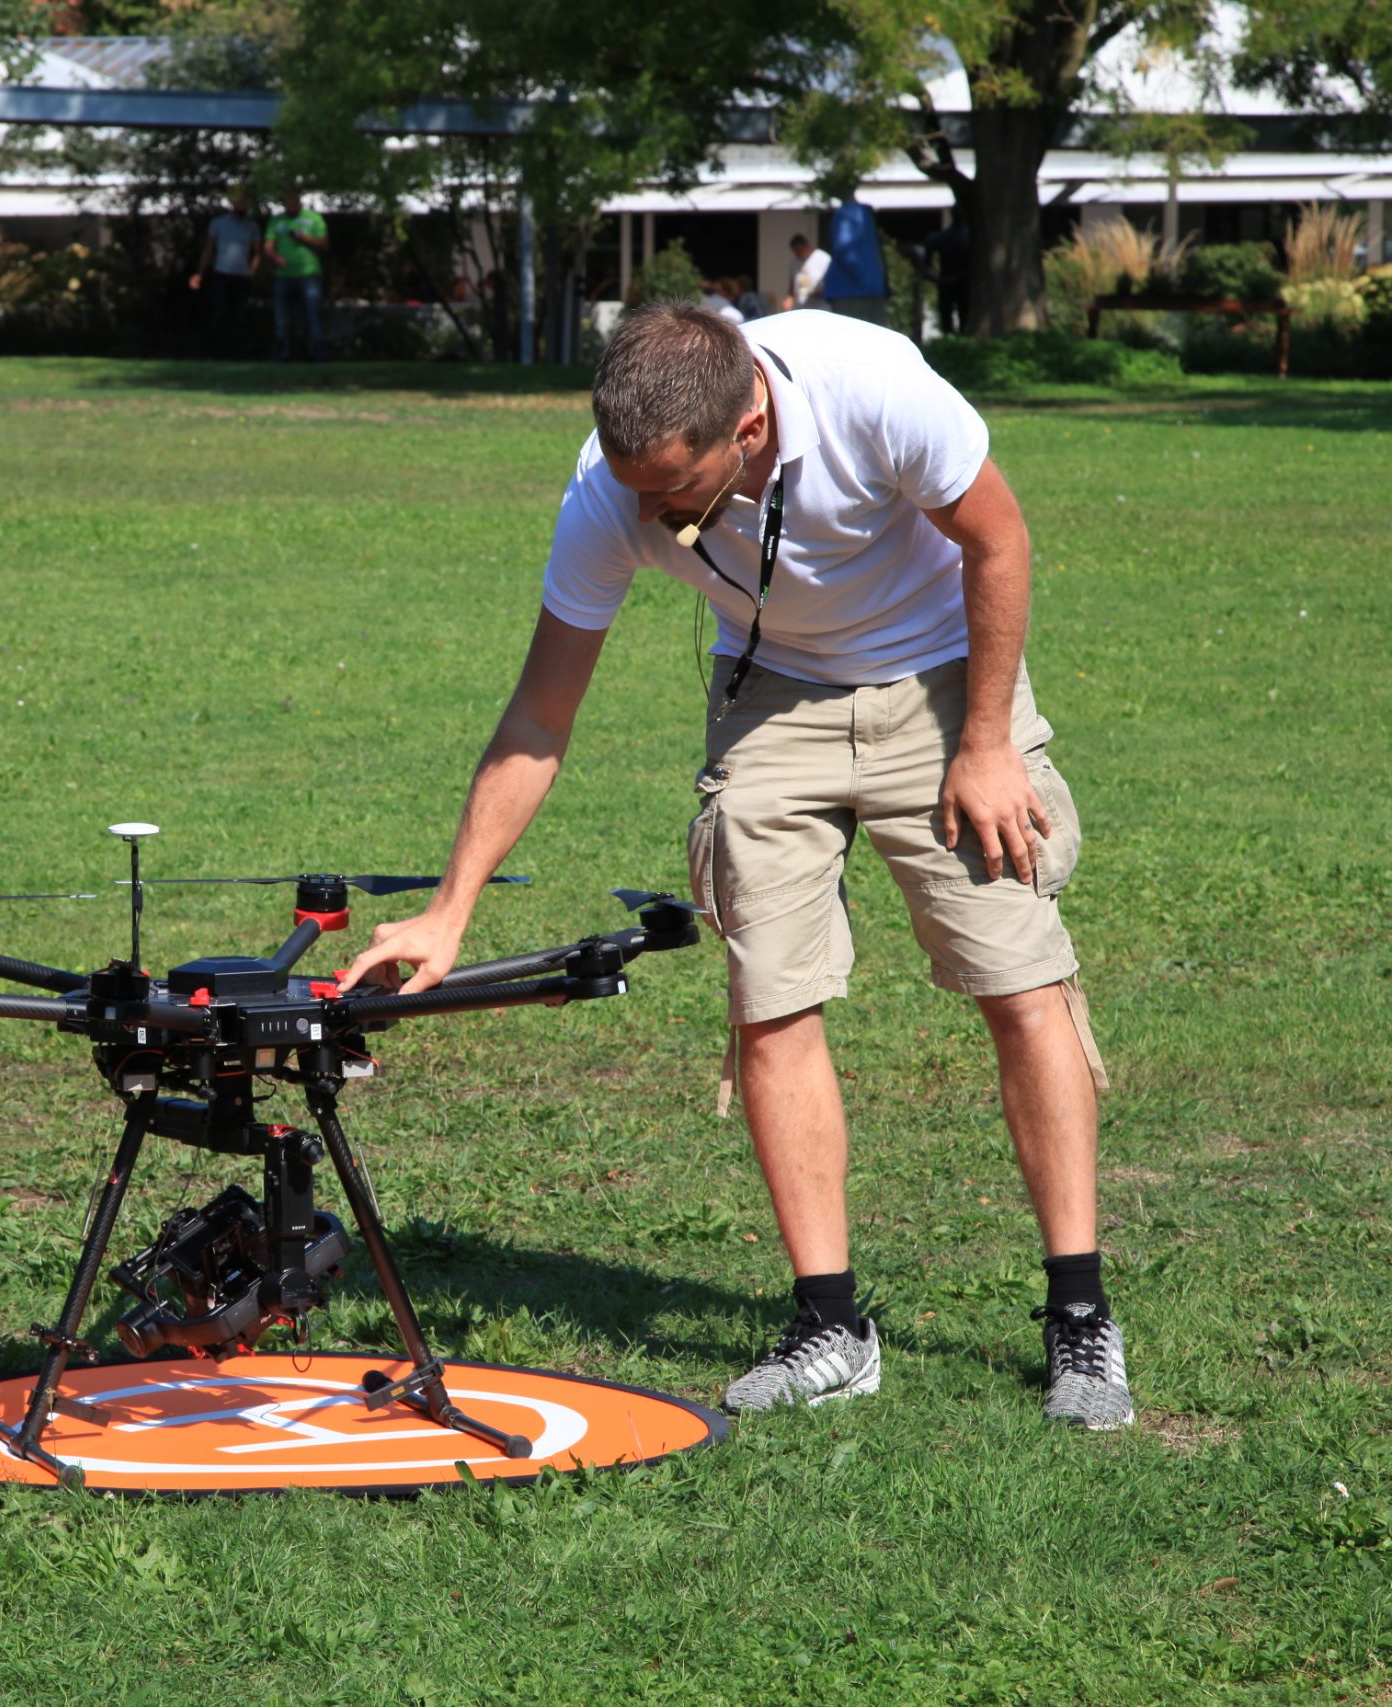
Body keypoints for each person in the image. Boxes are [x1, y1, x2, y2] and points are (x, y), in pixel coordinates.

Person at [339, 304, 1132, 1431]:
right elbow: (540, 711)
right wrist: (449, 909)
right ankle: (828, 1327)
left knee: (1018, 980)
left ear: (751, 423)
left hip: (939, 677)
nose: (656, 519)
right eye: (642, 496)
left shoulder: (873, 386)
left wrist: (989, 743)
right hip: (770, 698)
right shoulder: (611, 487)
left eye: (679, 497)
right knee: (771, 996)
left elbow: (997, 541)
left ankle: (1080, 1316)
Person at [189, 187, 259, 356]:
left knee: (240, 316)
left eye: (246, 202)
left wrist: (252, 271)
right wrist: (199, 273)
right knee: (218, 313)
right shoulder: (219, 224)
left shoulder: (252, 226)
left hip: (241, 276)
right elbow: (209, 249)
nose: (244, 205)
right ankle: (214, 352)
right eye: (241, 202)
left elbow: (257, 253)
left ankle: (238, 353)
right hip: (221, 274)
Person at [263, 188, 329, 362]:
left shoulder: (314, 219)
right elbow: (268, 247)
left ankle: (317, 355)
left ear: (299, 201)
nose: (291, 204)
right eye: (287, 201)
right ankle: (281, 356)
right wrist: (276, 257)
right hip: (283, 275)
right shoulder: (277, 221)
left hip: (309, 275)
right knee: (281, 319)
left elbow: (324, 244)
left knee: (312, 316)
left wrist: (304, 239)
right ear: (283, 203)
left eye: (294, 201)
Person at [821, 198, 891, 325]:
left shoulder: (852, 213)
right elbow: (844, 248)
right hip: (855, 291)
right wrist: (866, 279)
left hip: (862, 290)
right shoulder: (852, 213)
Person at [782, 232, 828, 311]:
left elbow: (830, 285)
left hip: (820, 309)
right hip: (800, 308)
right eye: (795, 251)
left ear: (806, 246)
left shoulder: (823, 259)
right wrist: (789, 299)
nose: (797, 253)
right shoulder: (794, 262)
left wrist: (815, 292)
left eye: (799, 250)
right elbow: (792, 285)